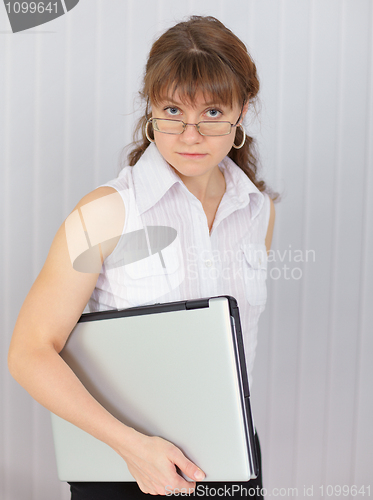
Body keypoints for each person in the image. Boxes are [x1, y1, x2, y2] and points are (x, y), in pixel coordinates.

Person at [8, 15, 276, 499]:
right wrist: (131, 447)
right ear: (149, 107)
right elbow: (29, 352)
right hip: (126, 470)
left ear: (243, 110)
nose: (190, 134)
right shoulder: (107, 212)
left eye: (212, 113)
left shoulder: (257, 212)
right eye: (172, 110)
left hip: (232, 462)